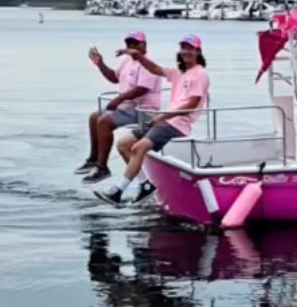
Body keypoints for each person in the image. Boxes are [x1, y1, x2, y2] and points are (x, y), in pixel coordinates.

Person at [95, 34, 210, 205]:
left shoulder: (200, 74)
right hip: (164, 120)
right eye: (183, 48)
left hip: (177, 124)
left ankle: (117, 191)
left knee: (139, 147)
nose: (185, 51)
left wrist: (164, 115)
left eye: (190, 48)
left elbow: (192, 104)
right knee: (123, 145)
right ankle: (145, 185)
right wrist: (138, 55)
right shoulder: (180, 72)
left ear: (198, 51)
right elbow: (155, 69)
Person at [76, 31, 163, 184]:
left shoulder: (148, 64)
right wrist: (100, 64)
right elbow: (114, 78)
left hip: (143, 108)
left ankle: (102, 168)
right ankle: (94, 159)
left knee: (104, 122)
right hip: (128, 105)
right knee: (94, 117)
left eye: (135, 43)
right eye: (129, 43)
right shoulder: (126, 61)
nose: (131, 46)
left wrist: (118, 99)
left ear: (144, 45)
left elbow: (141, 89)